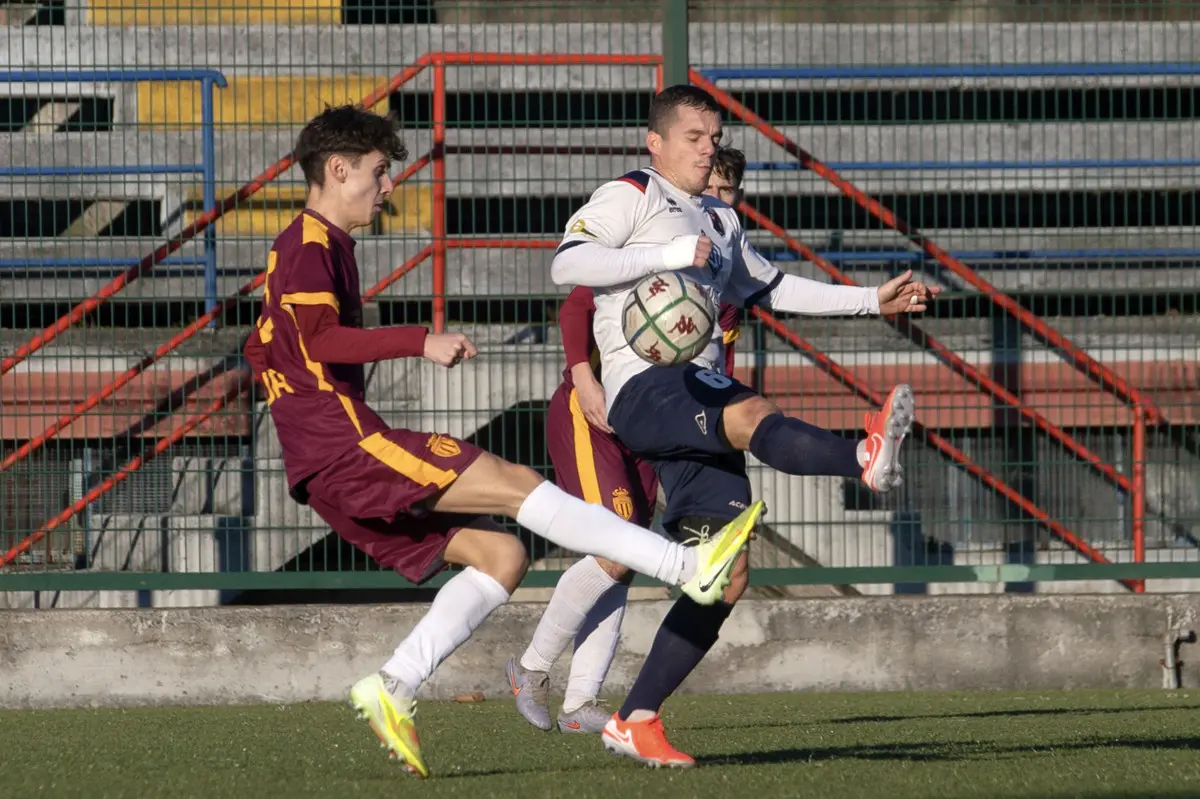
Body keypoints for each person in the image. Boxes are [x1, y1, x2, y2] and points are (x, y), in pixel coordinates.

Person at [240, 103, 759, 779]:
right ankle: (686, 567)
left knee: (502, 555)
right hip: (345, 445)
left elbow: (267, 346)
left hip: (321, 460)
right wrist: (420, 340)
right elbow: (318, 339)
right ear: (338, 169)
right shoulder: (312, 244)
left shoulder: (305, 246)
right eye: (378, 171)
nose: (388, 186)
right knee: (518, 485)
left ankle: (395, 683)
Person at [549, 85, 940, 767]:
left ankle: (636, 718)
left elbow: (772, 287)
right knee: (750, 410)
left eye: (715, 138)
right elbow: (568, 262)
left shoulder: (719, 220)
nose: (708, 149)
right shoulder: (632, 194)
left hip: (693, 394)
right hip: (646, 386)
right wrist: (666, 256)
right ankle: (862, 455)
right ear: (656, 142)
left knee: (725, 575)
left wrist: (870, 301)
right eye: (694, 137)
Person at [506, 148, 751, 736]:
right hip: (592, 412)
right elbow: (576, 306)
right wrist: (584, 378)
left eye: (728, 194)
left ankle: (580, 703)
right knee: (616, 550)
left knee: (628, 555)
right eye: (711, 190)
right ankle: (531, 668)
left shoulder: (722, 274)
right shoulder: (657, 242)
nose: (717, 202)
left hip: (650, 425)